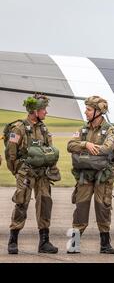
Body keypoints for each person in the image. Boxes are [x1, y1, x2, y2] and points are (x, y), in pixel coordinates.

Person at [5, 93, 60, 254]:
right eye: (43, 109)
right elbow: (11, 153)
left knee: (45, 203)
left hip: (42, 174)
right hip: (26, 173)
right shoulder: (19, 128)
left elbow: (49, 149)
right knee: (21, 203)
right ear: (34, 111)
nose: (46, 112)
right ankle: (13, 240)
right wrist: (18, 172)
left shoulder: (43, 128)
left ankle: (44, 242)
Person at [67, 96, 114, 254]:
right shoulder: (83, 129)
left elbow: (107, 148)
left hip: (103, 176)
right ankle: (74, 244)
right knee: (80, 208)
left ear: (98, 111)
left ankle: (105, 244)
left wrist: (83, 153)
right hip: (84, 176)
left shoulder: (110, 130)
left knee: (102, 207)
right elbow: (70, 145)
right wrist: (85, 144)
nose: (86, 112)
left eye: (89, 109)